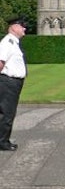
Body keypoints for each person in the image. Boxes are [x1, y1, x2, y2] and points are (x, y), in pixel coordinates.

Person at [0, 18, 28, 152]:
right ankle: (2, 142)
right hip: (8, 82)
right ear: (13, 27)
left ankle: (4, 140)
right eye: (22, 26)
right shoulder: (8, 42)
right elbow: (0, 62)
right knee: (7, 112)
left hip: (13, 83)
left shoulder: (14, 43)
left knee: (8, 112)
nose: (24, 29)